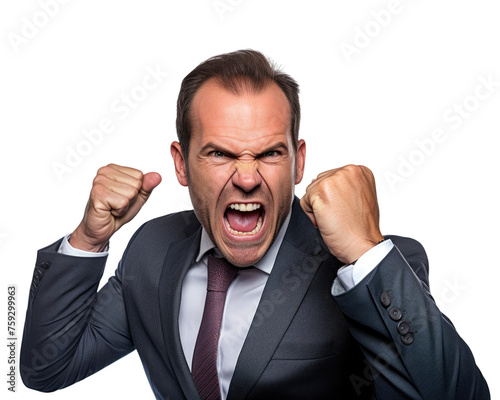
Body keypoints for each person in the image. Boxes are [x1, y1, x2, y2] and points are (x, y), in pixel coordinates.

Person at [21, 49, 489, 400]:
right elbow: (47, 368)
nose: (247, 178)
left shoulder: (373, 267)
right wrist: (88, 239)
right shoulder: (152, 249)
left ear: (298, 161)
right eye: (220, 153)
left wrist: (365, 253)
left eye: (270, 153)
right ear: (181, 165)